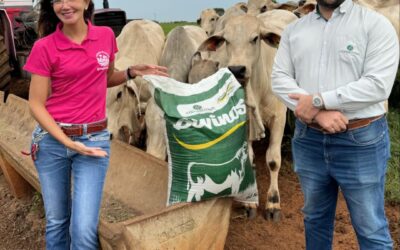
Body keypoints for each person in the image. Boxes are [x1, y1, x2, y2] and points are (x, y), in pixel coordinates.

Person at [24, 0, 168, 249]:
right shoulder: (44, 47)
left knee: (83, 230)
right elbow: (36, 104)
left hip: (94, 141)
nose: (65, 5)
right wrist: (68, 142)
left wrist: (131, 72)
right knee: (57, 222)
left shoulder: (105, 36)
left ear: (87, 1)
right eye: (57, 0)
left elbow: (106, 77)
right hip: (52, 143)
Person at [271, 0, 399, 249]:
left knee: (371, 228)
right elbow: (279, 78)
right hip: (309, 139)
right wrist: (318, 115)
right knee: (315, 219)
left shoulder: (375, 25)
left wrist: (319, 101)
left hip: (360, 139)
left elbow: (378, 84)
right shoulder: (295, 30)